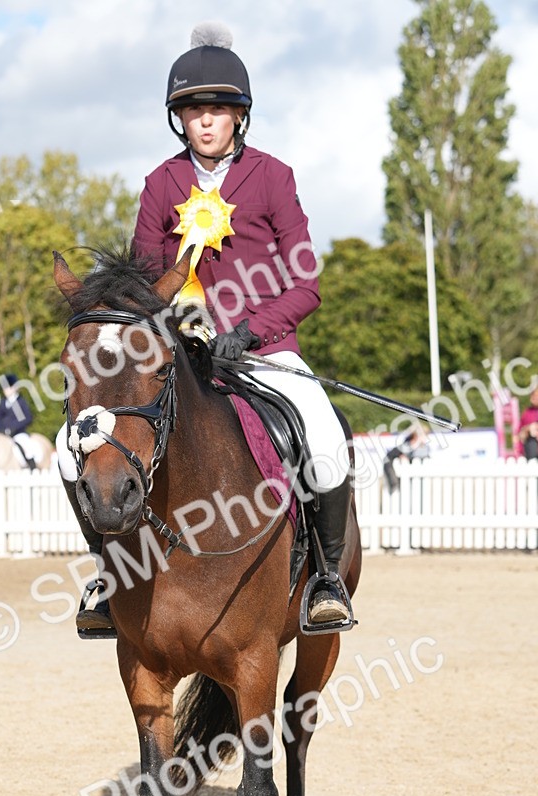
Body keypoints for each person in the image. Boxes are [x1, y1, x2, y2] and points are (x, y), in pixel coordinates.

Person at [57, 23, 353, 636]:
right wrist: (172, 329)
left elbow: (307, 284)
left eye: (218, 109)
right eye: (193, 110)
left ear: (239, 116)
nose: (206, 121)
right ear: (179, 119)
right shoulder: (161, 184)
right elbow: (141, 284)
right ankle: (113, 575)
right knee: (73, 448)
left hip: (265, 352)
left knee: (322, 437)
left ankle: (324, 576)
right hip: (181, 358)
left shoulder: (273, 177)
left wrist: (247, 331)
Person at [0, 374, 38, 470]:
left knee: (27, 448)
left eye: (8, 388)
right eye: (4, 388)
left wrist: (13, 429)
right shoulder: (2, 403)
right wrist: (2, 430)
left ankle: (32, 467)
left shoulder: (21, 402)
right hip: (4, 435)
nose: (5, 390)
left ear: (14, 387)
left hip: (19, 433)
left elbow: (28, 418)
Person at [518, 388, 538, 461]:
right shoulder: (527, 413)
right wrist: (528, 429)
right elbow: (520, 433)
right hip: (531, 447)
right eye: (533, 396)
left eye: (536, 396)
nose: (534, 398)